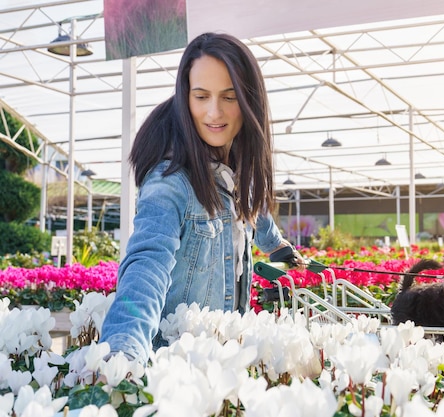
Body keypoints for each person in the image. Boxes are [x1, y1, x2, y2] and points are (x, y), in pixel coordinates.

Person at [100, 32, 305, 364]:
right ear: (185, 98)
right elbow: (147, 265)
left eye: (229, 96)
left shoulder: (239, 172)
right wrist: (122, 351)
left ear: (249, 99)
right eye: (201, 96)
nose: (214, 112)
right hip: (177, 372)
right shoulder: (171, 183)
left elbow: (255, 215)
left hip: (223, 365)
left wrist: (279, 249)